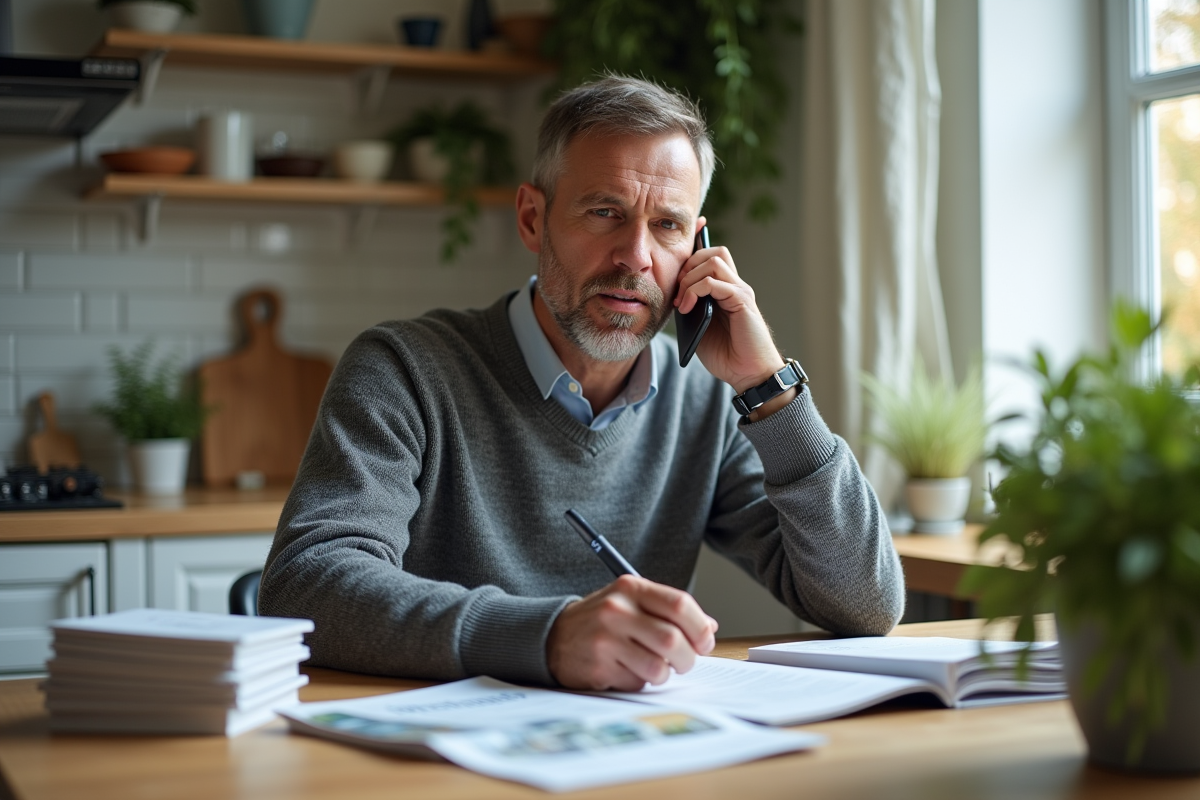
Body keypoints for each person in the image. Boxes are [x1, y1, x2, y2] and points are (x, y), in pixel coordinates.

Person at [259, 75, 904, 692]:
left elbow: (867, 605)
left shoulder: (707, 404)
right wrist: (544, 637)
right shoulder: (403, 370)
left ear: (699, 246)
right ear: (533, 219)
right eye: (604, 212)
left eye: (669, 225)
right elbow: (305, 585)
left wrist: (770, 390)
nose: (636, 257)